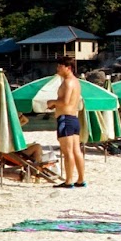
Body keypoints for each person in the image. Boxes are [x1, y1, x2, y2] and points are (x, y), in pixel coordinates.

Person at [47, 56, 86, 188]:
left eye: (60, 66)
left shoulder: (68, 82)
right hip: (73, 118)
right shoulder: (76, 82)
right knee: (76, 151)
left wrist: (52, 102)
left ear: (68, 68)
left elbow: (65, 102)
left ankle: (69, 181)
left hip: (66, 119)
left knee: (67, 151)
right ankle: (80, 179)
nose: (57, 68)